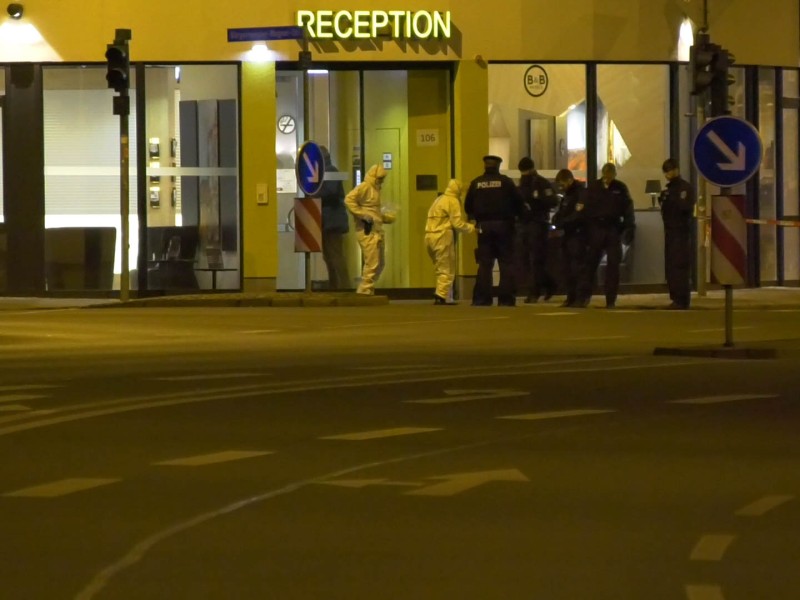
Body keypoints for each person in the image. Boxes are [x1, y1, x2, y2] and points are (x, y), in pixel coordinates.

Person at [464, 155, 524, 306]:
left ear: (485, 166)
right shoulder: (506, 182)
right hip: (504, 227)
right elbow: (519, 203)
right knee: (506, 263)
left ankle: (482, 299)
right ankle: (506, 299)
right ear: (498, 166)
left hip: (484, 227)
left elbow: (468, 206)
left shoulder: (476, 183)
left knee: (485, 264)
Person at [582, 163, 636, 308]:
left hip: (613, 229)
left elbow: (628, 209)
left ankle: (610, 299)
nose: (608, 177)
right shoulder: (594, 188)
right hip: (596, 229)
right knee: (591, 264)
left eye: (611, 174)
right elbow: (585, 208)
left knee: (613, 266)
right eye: (606, 174)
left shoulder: (620, 188)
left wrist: (628, 227)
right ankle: (585, 296)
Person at [425, 179, 476, 305]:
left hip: (429, 236)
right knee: (447, 267)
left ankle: (442, 292)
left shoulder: (439, 199)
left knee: (439, 267)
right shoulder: (453, 201)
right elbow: (457, 223)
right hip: (442, 235)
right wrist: (471, 228)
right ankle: (442, 295)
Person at [517, 157, 558, 303]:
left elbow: (552, 201)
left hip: (538, 224)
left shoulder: (540, 182)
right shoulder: (523, 183)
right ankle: (548, 284)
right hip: (525, 224)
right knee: (528, 259)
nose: (524, 174)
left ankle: (535, 291)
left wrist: (536, 202)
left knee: (536, 259)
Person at [659, 158, 697, 309]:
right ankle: (675, 297)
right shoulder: (667, 191)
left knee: (680, 265)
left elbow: (684, 208)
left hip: (681, 232)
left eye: (671, 169)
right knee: (671, 265)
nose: (669, 173)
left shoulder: (684, 188)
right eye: (667, 171)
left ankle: (682, 299)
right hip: (670, 232)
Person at [345, 164, 388, 295]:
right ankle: (365, 290)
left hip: (376, 229)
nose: (381, 181)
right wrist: (362, 215)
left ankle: (368, 288)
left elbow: (373, 210)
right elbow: (349, 200)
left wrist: (383, 217)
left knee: (379, 263)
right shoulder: (365, 187)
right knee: (373, 261)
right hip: (367, 230)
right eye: (380, 178)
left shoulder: (374, 189)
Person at [552, 169, 590, 307]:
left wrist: (563, 222)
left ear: (569, 180)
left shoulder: (580, 193)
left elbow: (578, 215)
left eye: (562, 184)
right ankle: (571, 296)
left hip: (578, 235)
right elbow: (563, 212)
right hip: (567, 235)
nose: (561, 187)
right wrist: (556, 219)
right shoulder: (567, 196)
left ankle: (581, 297)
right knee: (567, 267)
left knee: (579, 267)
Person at [318, 146, 350, 290]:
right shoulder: (325, 171)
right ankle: (335, 286)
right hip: (328, 220)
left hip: (332, 221)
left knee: (335, 256)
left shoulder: (330, 171)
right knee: (329, 256)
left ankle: (343, 287)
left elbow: (329, 192)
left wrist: (314, 193)